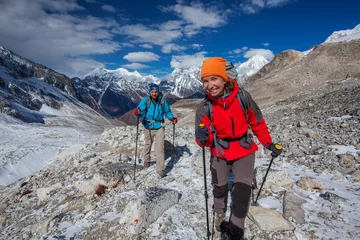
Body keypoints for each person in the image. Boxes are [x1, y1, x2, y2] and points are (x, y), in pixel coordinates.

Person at [194, 57, 282, 239]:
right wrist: (203, 137)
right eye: (205, 81)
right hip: (220, 152)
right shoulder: (204, 107)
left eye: (214, 78)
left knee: (242, 194)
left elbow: (257, 122)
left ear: (224, 78)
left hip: (244, 151)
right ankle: (219, 215)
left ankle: (235, 232)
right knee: (219, 188)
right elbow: (203, 139)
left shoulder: (243, 97)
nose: (210, 85)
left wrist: (268, 143)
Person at [134, 83, 177, 178]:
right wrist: (138, 112)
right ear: (150, 92)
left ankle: (160, 169)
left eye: (156, 91)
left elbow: (167, 111)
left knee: (160, 147)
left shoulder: (162, 101)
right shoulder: (146, 100)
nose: (154, 93)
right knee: (148, 145)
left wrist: (172, 118)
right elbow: (140, 110)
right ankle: (146, 161)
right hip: (147, 125)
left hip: (159, 126)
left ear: (158, 92)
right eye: (152, 92)